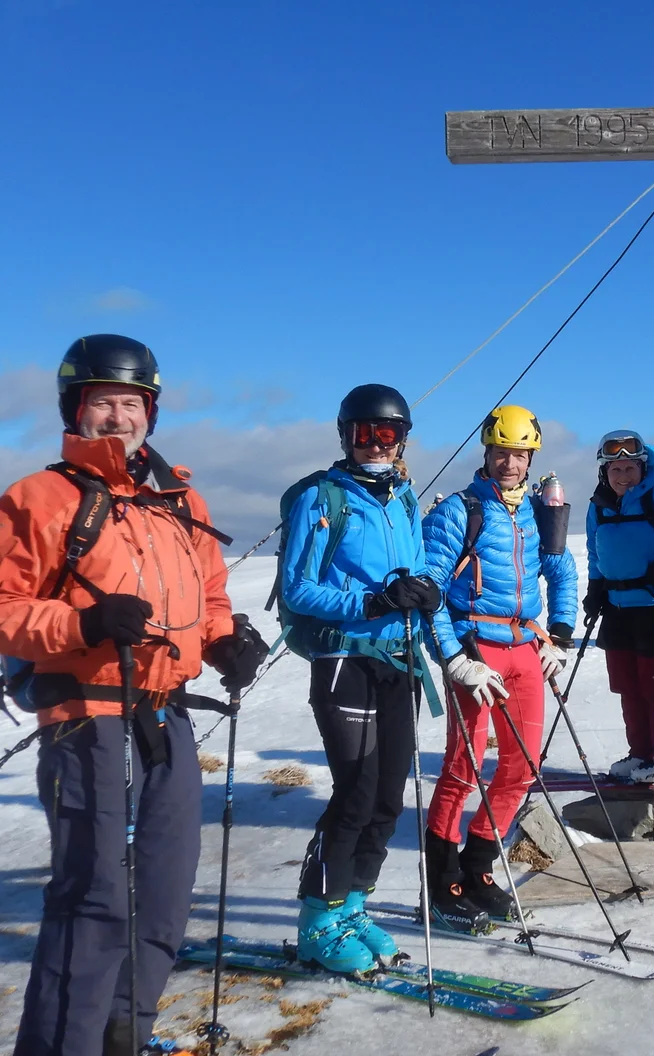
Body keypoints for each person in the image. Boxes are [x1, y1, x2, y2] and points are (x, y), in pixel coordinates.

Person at [0, 335, 266, 1056]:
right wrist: (83, 622)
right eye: (104, 402)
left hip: (165, 716)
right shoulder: (37, 497)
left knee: (165, 892)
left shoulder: (179, 497)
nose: (119, 417)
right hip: (84, 717)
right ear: (76, 408)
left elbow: (210, 592)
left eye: (132, 403)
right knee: (94, 898)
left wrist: (223, 640)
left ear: (150, 413)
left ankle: (125, 1037)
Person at [277, 383, 443, 971]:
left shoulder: (403, 499)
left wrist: (425, 591)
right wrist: (372, 603)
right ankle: (317, 921)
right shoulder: (321, 499)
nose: (375, 444)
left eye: (388, 433)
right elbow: (298, 589)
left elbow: (418, 567)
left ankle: (353, 905)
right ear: (345, 435)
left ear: (402, 440)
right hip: (343, 658)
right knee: (354, 793)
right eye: (363, 433)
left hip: (397, 658)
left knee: (389, 798)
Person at [422, 405, 579, 923]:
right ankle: (442, 879)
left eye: (518, 454)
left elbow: (562, 573)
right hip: (476, 650)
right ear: (486, 453)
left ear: (531, 457)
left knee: (523, 766)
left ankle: (478, 866)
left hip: (525, 651)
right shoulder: (460, 511)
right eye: (500, 453)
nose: (509, 463)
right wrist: (454, 658)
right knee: (462, 768)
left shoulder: (538, 513)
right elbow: (431, 594)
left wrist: (558, 633)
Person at [582, 429, 654, 783]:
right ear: (604, 473)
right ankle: (642, 753)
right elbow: (595, 551)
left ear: (643, 468)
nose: (623, 477)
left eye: (630, 469)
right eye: (615, 471)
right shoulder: (598, 506)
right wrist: (595, 587)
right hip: (616, 606)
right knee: (626, 685)